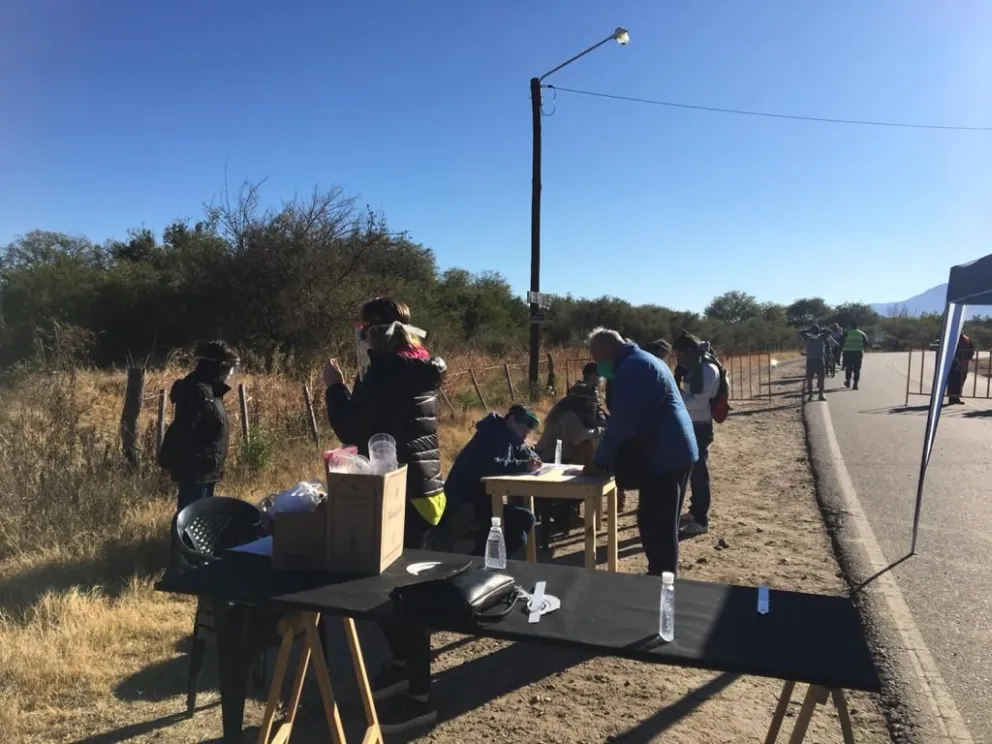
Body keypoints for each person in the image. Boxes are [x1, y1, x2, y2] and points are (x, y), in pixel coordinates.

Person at [322, 297, 446, 733]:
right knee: (398, 591)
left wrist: (334, 387)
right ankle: (400, 665)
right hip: (425, 489)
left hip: (401, 495)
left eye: (363, 327)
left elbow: (354, 428)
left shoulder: (388, 370)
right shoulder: (420, 363)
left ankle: (419, 698)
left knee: (403, 596)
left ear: (373, 330)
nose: (360, 333)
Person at [583, 329, 698, 577]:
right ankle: (662, 575)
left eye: (597, 359)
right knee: (658, 523)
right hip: (671, 450)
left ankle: (661, 580)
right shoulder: (641, 360)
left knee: (657, 526)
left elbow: (622, 424)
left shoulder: (633, 368)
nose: (598, 366)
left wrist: (599, 462)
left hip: (666, 455)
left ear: (607, 351)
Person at [441, 404, 541, 558]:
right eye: (524, 427)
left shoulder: (508, 435)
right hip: (465, 504)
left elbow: (526, 452)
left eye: (529, 430)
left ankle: (485, 558)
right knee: (523, 523)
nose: (526, 433)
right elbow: (492, 465)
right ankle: (482, 560)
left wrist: (533, 459)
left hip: (483, 500)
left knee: (523, 522)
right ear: (512, 421)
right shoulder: (490, 435)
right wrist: (524, 465)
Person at [159, 340, 240, 513]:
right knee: (191, 517)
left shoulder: (211, 391)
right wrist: (167, 462)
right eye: (229, 368)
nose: (231, 373)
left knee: (201, 517)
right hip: (196, 470)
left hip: (207, 469)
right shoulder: (198, 391)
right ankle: (179, 541)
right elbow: (182, 429)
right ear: (218, 367)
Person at [534, 364, 608, 547]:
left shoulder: (564, 409)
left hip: (557, 456)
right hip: (551, 460)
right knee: (586, 480)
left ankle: (566, 512)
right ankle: (562, 510)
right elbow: (577, 437)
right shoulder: (569, 416)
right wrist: (599, 430)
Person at [671, 333, 721, 538]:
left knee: (699, 473)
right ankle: (694, 511)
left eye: (679, 354)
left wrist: (676, 392)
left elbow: (698, 402)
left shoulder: (708, 370)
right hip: (692, 423)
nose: (677, 358)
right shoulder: (696, 368)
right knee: (692, 472)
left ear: (689, 352)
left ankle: (701, 520)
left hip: (700, 426)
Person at [800, 324, 828, 402]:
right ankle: (820, 394)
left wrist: (809, 330)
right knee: (819, 378)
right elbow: (828, 332)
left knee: (811, 379)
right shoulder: (820, 337)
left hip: (811, 360)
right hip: (818, 360)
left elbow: (801, 332)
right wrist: (820, 330)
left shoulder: (809, 337)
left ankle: (811, 395)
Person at [948, 332, 975, 405]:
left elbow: (972, 349)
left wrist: (968, 358)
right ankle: (952, 397)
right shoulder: (952, 339)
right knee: (954, 380)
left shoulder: (966, 339)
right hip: (956, 362)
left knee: (961, 379)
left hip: (964, 362)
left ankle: (955, 397)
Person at [841, 322, 869, 390]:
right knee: (857, 369)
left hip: (848, 352)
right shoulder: (862, 333)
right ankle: (855, 384)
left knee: (848, 367)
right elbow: (866, 343)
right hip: (858, 352)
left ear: (850, 327)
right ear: (857, 327)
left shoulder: (846, 333)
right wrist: (863, 349)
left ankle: (848, 382)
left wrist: (842, 348)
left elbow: (841, 342)